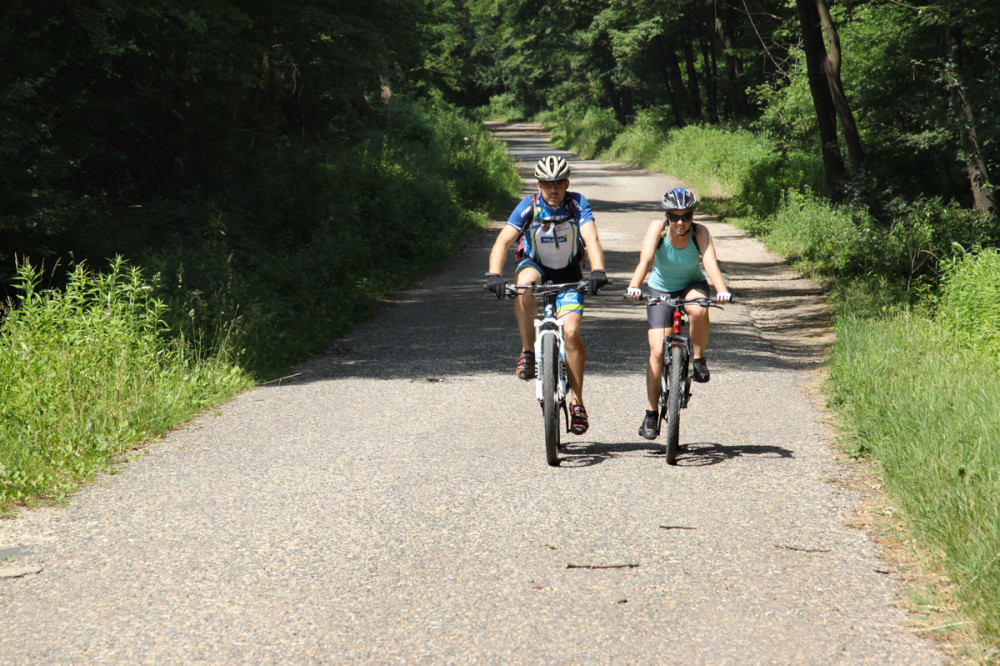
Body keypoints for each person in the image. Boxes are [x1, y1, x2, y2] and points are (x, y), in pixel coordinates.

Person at [485, 155, 608, 435]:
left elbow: (591, 238)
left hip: (568, 273)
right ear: (538, 185)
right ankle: (528, 352)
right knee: (524, 287)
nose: (553, 189)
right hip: (535, 265)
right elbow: (503, 240)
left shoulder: (577, 203)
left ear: (567, 183)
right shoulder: (528, 205)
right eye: (547, 184)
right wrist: (494, 274)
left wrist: (598, 270)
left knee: (572, 333)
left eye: (559, 183)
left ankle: (577, 401)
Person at [625, 187, 731, 440]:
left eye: (686, 216)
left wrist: (722, 290)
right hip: (661, 288)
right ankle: (651, 413)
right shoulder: (657, 229)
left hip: (691, 285)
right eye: (674, 216)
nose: (680, 222)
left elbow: (709, 262)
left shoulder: (700, 232)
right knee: (657, 352)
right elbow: (646, 259)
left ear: (693, 216)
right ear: (667, 216)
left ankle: (698, 358)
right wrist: (634, 285)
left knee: (698, 308)